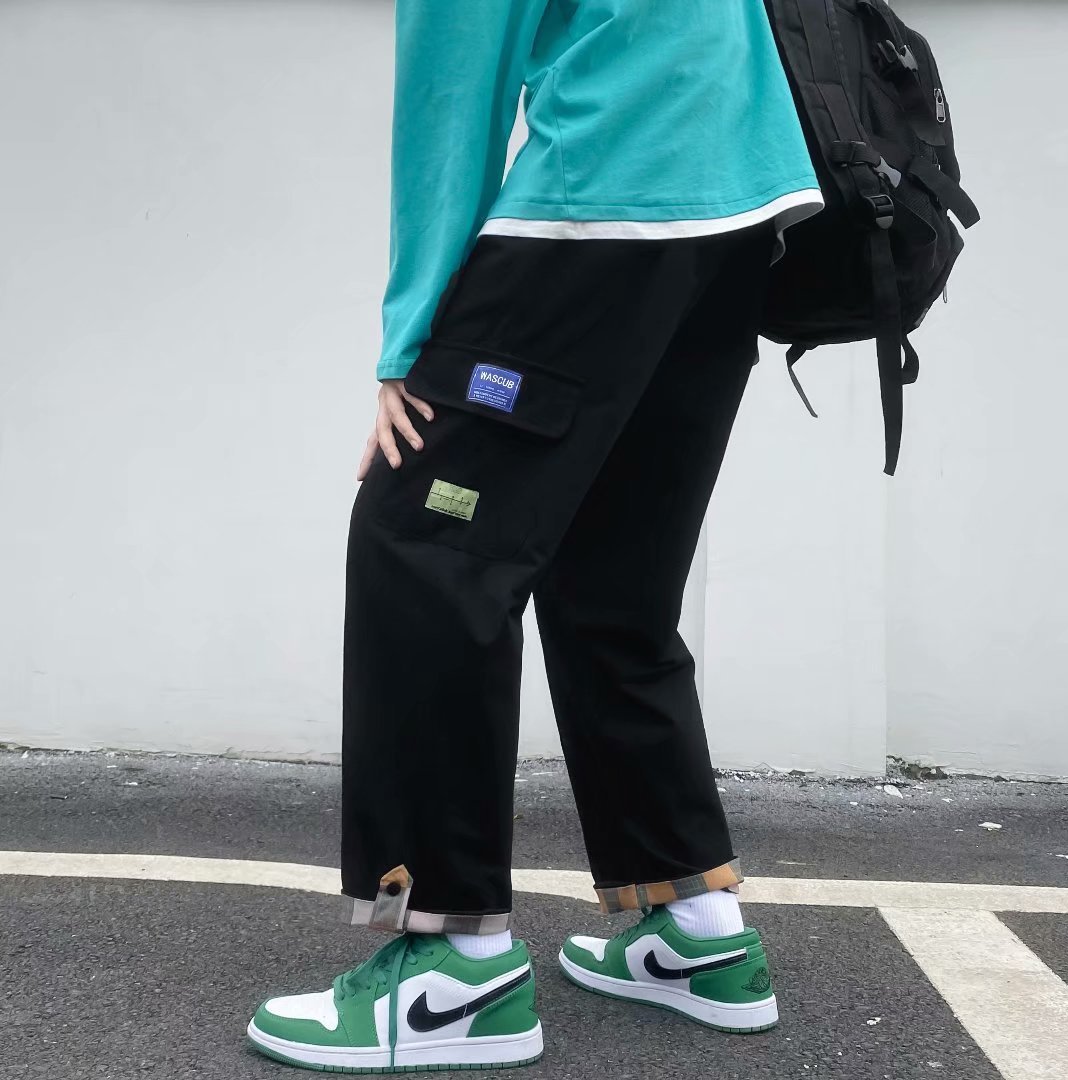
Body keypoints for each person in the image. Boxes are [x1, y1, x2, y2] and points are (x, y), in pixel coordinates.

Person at [248, 0, 822, 1071]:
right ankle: (695, 929)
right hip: (747, 208)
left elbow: (451, 93)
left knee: (423, 547)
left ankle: (451, 968)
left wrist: (410, 342)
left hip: (604, 197)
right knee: (612, 583)